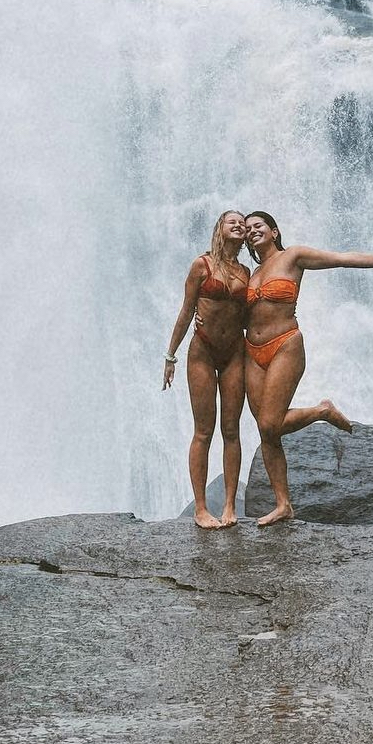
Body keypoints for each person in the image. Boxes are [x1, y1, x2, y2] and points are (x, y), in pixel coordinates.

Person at [241, 210, 373, 526]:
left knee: (270, 425)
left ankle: (320, 411)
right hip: (251, 352)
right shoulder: (249, 273)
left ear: (274, 231)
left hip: (285, 344)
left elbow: (340, 258)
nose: (251, 231)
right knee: (266, 429)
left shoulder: (293, 256)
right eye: (246, 229)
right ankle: (283, 505)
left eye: (258, 225)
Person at [163, 211, 250, 529]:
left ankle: (229, 506)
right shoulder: (202, 265)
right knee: (203, 431)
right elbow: (187, 310)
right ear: (220, 229)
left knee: (231, 430)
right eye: (232, 221)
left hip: (234, 354)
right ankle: (201, 509)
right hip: (201, 352)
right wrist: (169, 356)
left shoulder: (246, 271)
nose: (239, 225)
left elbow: (248, 317)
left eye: (243, 222)